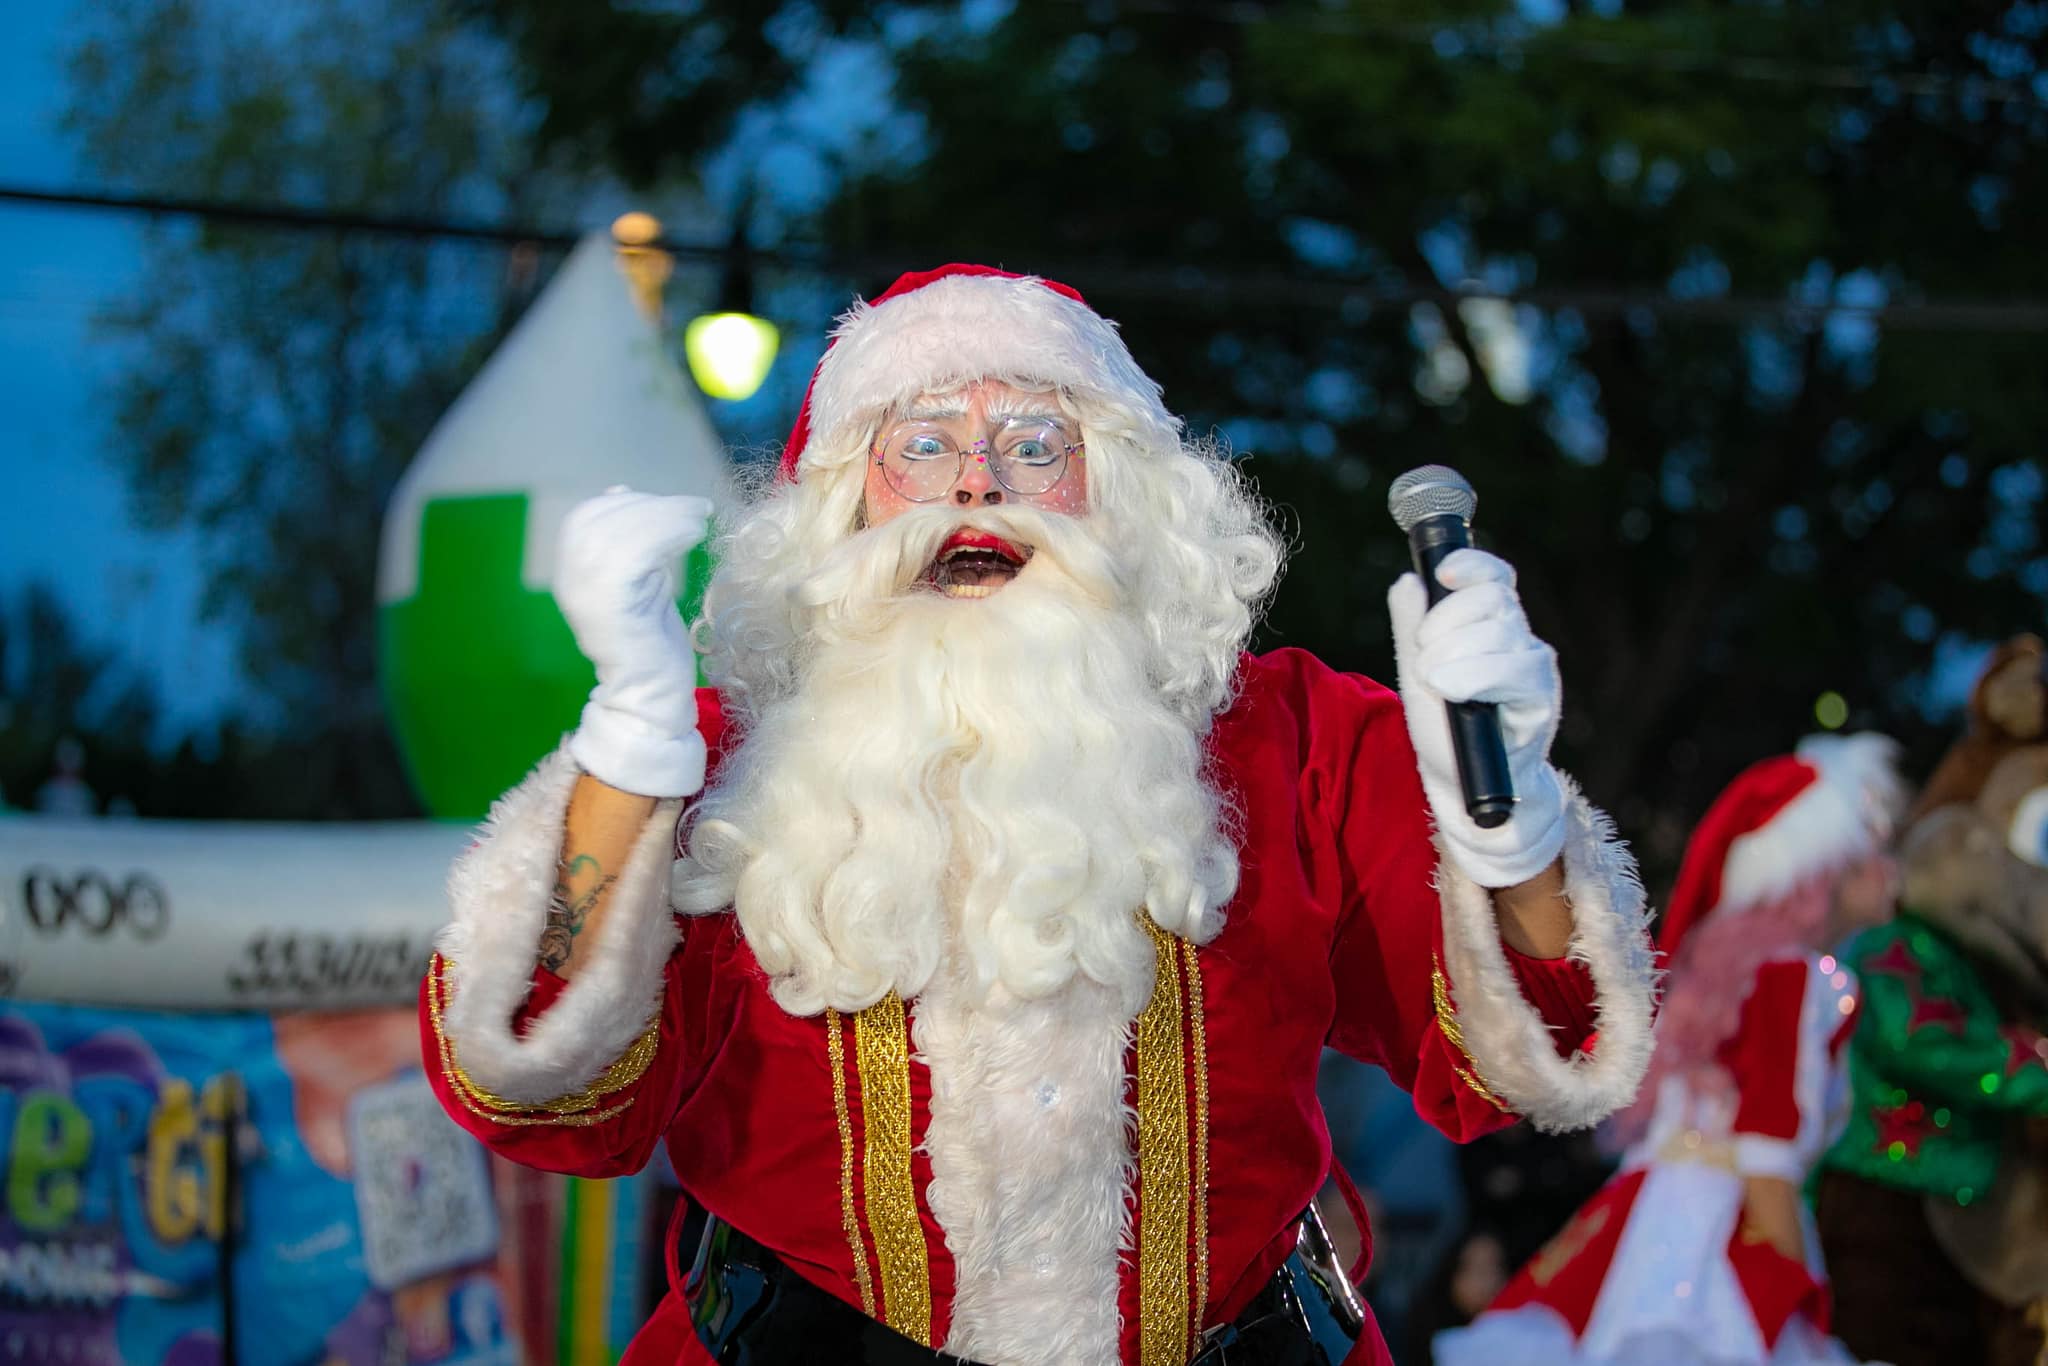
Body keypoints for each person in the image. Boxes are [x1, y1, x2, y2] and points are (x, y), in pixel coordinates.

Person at [418, 264, 1657, 1365]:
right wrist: (629, 745)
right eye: (919, 442)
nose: (974, 482)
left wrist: (1514, 825)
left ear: (1114, 493)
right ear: (846, 501)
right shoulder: (719, 759)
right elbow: (535, 1084)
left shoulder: (1294, 740)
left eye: (1030, 443)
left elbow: (1537, 1053)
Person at [1435, 735, 1904, 1366]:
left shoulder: (1733, 972)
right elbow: (1768, 1151)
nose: (1887, 868)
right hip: (1725, 1245)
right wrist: (1799, 1286)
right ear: (1822, 868)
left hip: (1649, 1223)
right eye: (1866, 852)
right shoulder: (1795, 977)